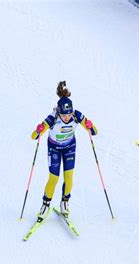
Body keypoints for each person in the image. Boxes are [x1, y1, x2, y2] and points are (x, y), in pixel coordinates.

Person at [31, 81, 98, 223]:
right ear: (58, 112)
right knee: (53, 178)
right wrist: (38, 131)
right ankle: (45, 204)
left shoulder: (76, 115)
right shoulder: (53, 117)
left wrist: (90, 126)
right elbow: (34, 136)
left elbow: (94, 132)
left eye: (68, 115)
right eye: (64, 115)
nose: (67, 118)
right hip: (54, 147)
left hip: (69, 147)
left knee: (69, 178)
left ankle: (65, 202)